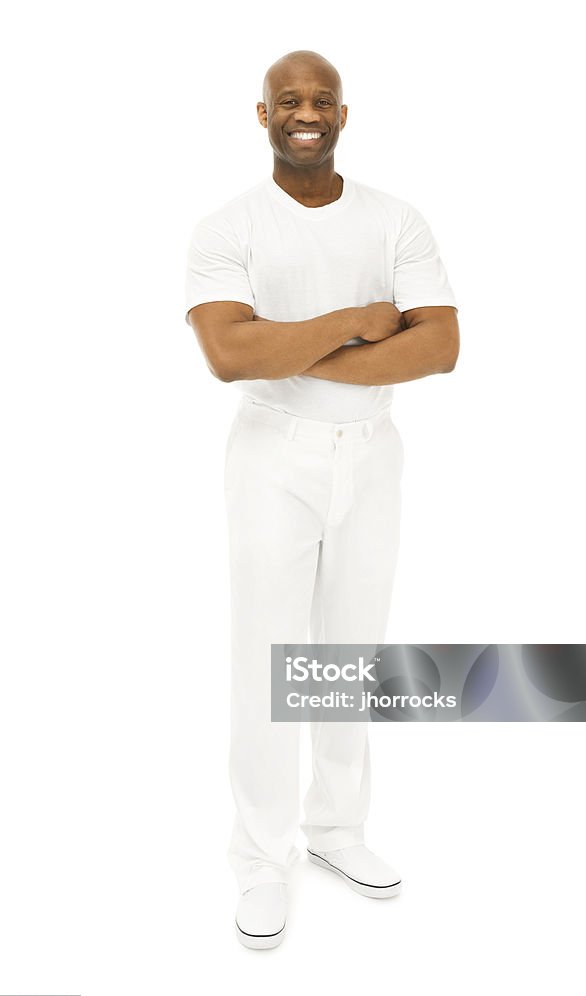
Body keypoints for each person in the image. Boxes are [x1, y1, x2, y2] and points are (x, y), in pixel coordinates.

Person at [184, 49, 459, 950]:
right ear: (261, 116)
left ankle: (336, 830)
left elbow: (438, 347)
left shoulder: (394, 220)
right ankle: (262, 859)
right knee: (266, 656)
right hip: (272, 457)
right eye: (287, 100)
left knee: (348, 648)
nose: (307, 111)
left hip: (373, 454)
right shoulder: (229, 228)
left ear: (344, 115)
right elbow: (229, 356)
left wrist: (286, 343)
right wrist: (350, 320)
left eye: (323, 100)